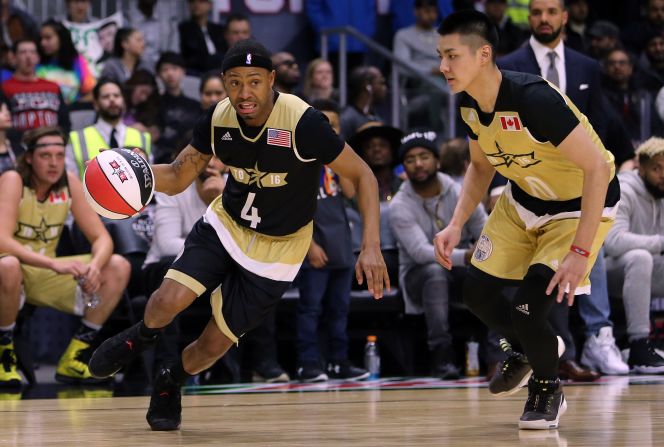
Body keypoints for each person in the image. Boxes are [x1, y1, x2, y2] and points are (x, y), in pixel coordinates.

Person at [88, 39, 388, 431]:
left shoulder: (304, 122)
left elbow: (362, 174)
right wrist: (135, 176)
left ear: (272, 81)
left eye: (254, 82)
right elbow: (179, 175)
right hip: (227, 225)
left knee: (212, 347)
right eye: (234, 83)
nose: (244, 93)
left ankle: (170, 379)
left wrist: (371, 246)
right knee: (166, 299)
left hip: (279, 249)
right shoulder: (218, 119)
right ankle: (141, 338)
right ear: (224, 84)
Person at [434, 11, 619, 429]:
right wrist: (456, 224)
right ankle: (524, 349)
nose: (443, 66)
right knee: (477, 291)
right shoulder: (468, 104)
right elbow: (481, 168)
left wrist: (580, 250)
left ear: (483, 55)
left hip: (578, 206)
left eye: (451, 56)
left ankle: (548, 385)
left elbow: (598, 170)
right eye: (440, 56)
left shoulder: (534, 99)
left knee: (526, 307)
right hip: (524, 201)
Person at [498, 0, 617, 381]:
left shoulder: (587, 66)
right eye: (536, 12)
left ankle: (590, 343)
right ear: (529, 17)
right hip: (528, 184)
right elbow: (499, 136)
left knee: (583, 256)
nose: (543, 19)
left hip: (583, 183)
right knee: (535, 272)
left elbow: (599, 128)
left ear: (565, 17)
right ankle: (539, 350)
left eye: (551, 12)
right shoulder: (510, 65)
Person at [0, 126, 130, 386]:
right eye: (46, 156)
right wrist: (52, 263)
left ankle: (76, 355)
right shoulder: (13, 179)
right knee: (9, 265)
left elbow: (102, 238)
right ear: (29, 158)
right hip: (13, 269)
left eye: (60, 155)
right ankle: (5, 354)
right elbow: (2, 239)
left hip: (44, 273)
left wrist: (94, 266)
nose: (54, 163)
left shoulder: (69, 182)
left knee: (117, 265)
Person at [391, 128, 487, 379]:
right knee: (435, 272)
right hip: (417, 278)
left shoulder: (458, 191)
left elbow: (484, 228)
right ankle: (441, 356)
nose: (418, 164)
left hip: (460, 271)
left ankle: (501, 354)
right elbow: (422, 253)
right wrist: (467, 256)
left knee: (495, 271)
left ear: (437, 160)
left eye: (424, 156)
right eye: (409, 160)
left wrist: (483, 252)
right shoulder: (399, 205)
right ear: (403, 168)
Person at [295, 98, 368, 383]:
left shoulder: (338, 163)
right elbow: (291, 209)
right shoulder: (298, 162)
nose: (330, 129)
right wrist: (309, 245)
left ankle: (339, 361)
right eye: (324, 124)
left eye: (334, 125)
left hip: (341, 246)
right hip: (314, 246)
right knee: (310, 309)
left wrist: (337, 157)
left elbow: (350, 192)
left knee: (339, 310)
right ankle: (308, 363)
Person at [604, 137, 664, 374]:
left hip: (647, 272)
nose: (662, 175)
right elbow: (613, 242)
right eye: (657, 169)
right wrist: (659, 243)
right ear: (641, 166)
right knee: (640, 257)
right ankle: (639, 346)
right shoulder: (623, 190)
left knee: (644, 258)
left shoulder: (661, 193)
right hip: (611, 272)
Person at [66, 78, 151, 179]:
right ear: (96, 105)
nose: (112, 99)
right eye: (106, 96)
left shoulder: (142, 137)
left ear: (123, 101)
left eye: (116, 95)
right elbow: (71, 179)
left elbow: (149, 178)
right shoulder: (77, 138)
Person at [2, 38, 70, 134]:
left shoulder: (53, 87)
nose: (28, 56)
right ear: (13, 57)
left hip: (52, 142)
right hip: (20, 144)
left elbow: (64, 122)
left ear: (38, 57)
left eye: (32, 52)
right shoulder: (5, 87)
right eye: (23, 52)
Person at [154, 52, 200, 164]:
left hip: (194, 157)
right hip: (163, 161)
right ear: (159, 75)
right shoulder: (153, 105)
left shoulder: (195, 105)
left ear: (183, 71)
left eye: (174, 68)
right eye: (165, 69)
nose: (170, 73)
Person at [37, 19, 96, 105]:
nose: (42, 43)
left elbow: (93, 93)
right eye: (41, 39)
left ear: (61, 38)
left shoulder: (78, 61)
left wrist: (73, 106)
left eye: (48, 38)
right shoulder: (36, 62)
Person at [179, 0, 225, 74]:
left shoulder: (218, 29)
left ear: (210, 5)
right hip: (197, 72)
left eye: (201, 1)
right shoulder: (184, 29)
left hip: (220, 71)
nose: (196, 5)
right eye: (192, 1)